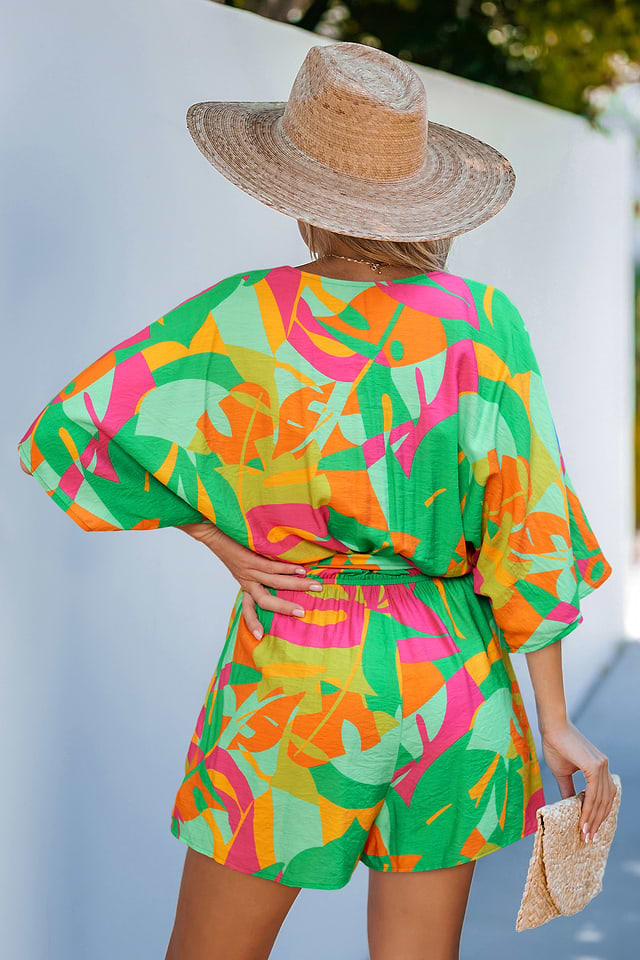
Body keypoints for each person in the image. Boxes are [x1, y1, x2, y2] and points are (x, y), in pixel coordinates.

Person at [17, 40, 616, 960]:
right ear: (419, 196)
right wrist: (556, 720)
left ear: (298, 195)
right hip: (452, 682)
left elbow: (74, 433)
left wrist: (217, 538)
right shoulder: (484, 324)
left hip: (296, 670)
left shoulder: (239, 315)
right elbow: (528, 530)